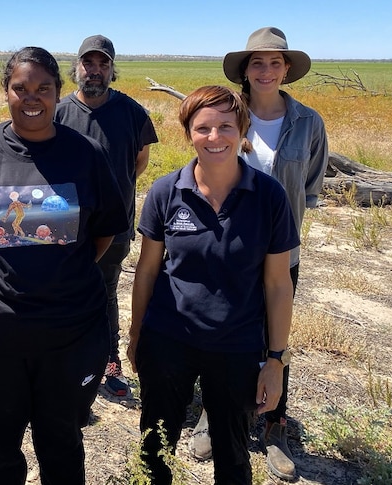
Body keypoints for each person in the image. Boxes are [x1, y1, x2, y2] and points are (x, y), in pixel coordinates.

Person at [0, 46, 126, 484]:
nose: (32, 97)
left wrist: (58, 270)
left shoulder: (86, 154)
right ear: (6, 92)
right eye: (20, 88)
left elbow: (103, 233)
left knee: (61, 444)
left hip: (68, 333)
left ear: (59, 92)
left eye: (43, 88)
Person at [127, 85, 299, 484]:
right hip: (168, 338)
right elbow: (148, 270)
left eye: (225, 126)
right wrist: (136, 335)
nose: (215, 137)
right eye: (203, 127)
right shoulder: (167, 191)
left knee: (233, 454)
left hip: (237, 345)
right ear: (188, 133)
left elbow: (277, 284)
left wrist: (275, 360)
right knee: (155, 448)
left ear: (243, 130)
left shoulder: (269, 196)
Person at [189, 27, 329, 481]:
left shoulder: (309, 122)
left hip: (280, 251)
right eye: (257, 63)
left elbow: (309, 188)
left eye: (275, 63)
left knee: (275, 338)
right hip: (228, 249)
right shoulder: (227, 117)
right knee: (224, 328)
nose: (266, 71)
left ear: (287, 69)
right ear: (245, 71)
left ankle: (274, 425)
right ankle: (217, 411)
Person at [54, 35, 158, 397]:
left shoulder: (131, 113)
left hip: (112, 226)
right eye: (89, 63)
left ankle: (108, 360)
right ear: (76, 68)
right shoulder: (59, 112)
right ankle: (66, 358)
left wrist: (113, 195)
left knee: (106, 290)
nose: (95, 71)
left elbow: (138, 163)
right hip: (61, 222)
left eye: (103, 65)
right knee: (63, 290)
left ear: (113, 71)